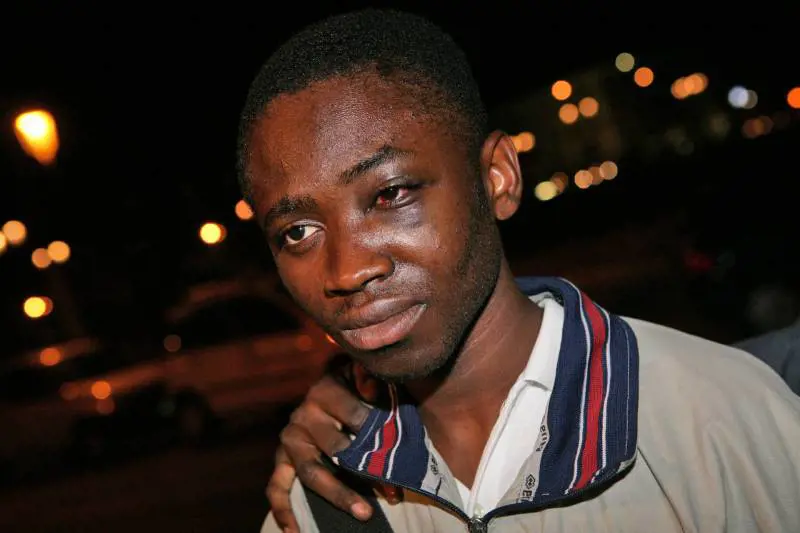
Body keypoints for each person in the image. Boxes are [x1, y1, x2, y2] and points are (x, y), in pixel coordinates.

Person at [235, 8, 800, 533]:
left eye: (392, 193)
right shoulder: (317, 507)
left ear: (498, 178)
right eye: (298, 232)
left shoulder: (714, 421)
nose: (348, 269)